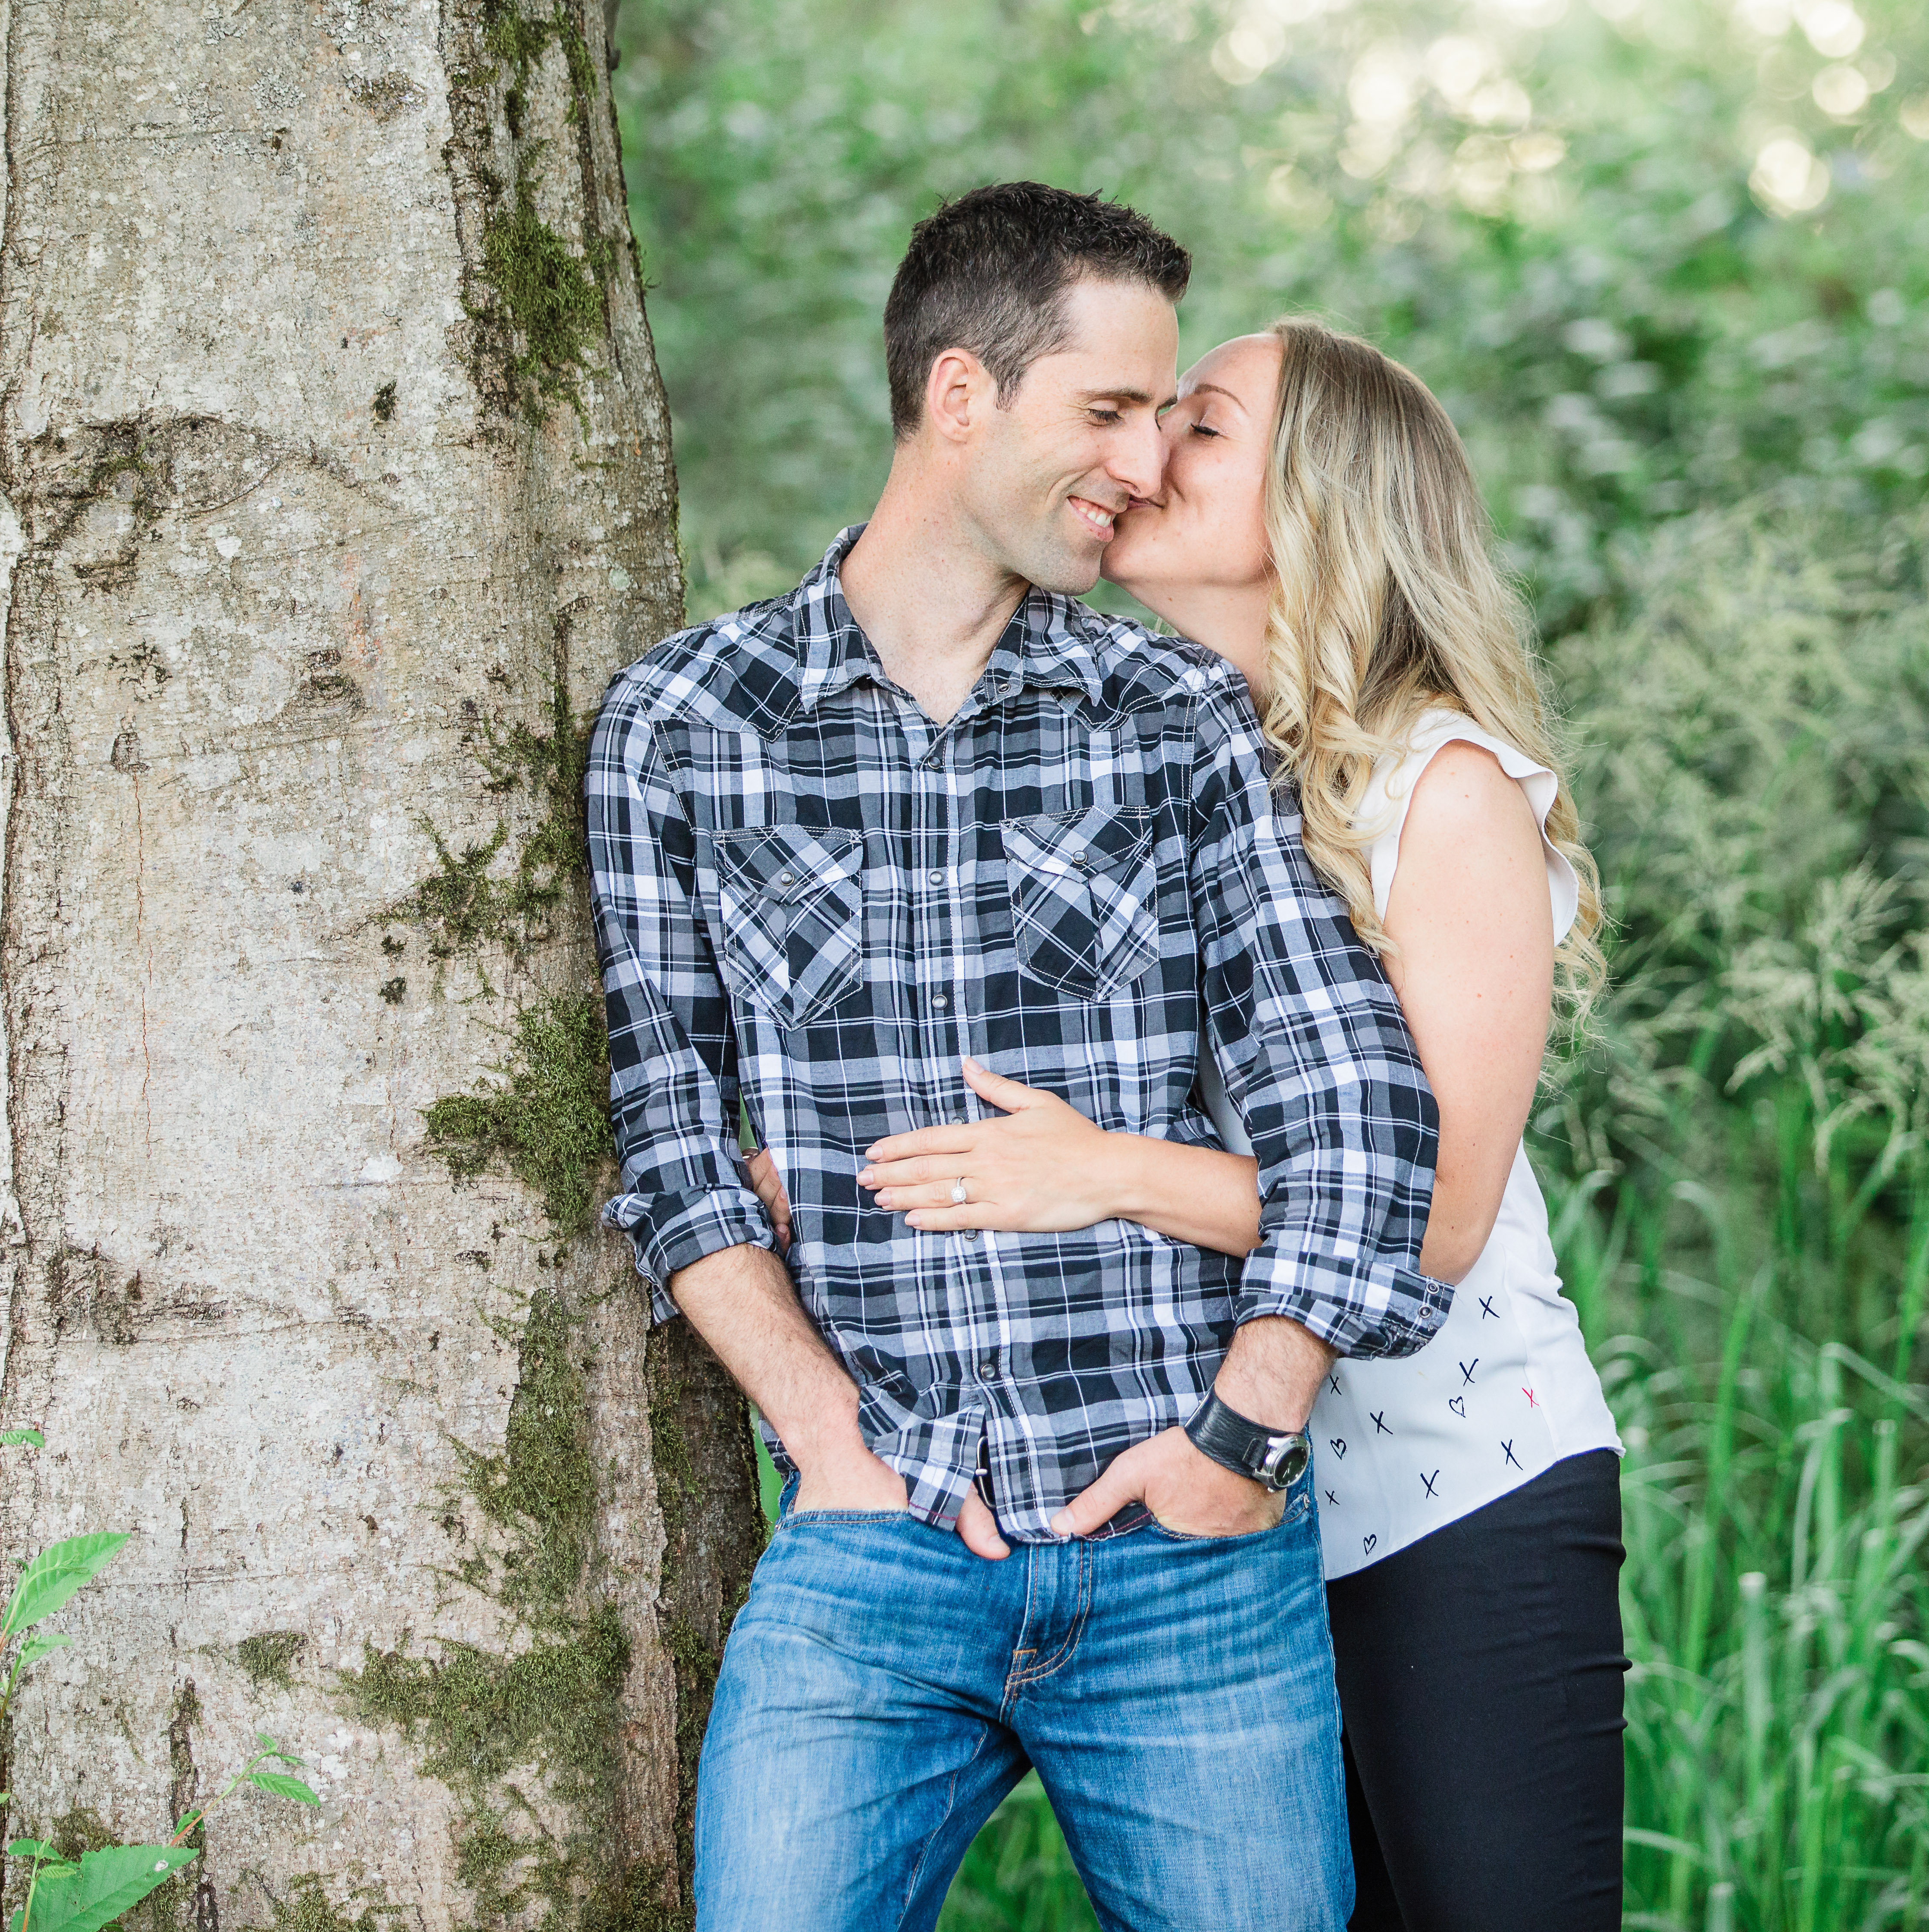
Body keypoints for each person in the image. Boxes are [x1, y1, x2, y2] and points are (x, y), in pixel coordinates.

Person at [588, 188, 1447, 1932]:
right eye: (1111, 411)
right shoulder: (684, 725)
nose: (1146, 461)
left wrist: (1246, 1435)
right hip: (873, 1541)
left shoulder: (1177, 718)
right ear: (962, 394)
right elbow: (671, 1132)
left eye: (1163, 416)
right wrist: (823, 1435)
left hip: (1189, 1563)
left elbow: (1352, 1100)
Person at [813, 319, 1628, 1931]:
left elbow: (1441, 1220)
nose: (1139, 461)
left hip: (1456, 1493)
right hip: (1229, 1501)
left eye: (1199, 429)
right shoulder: (1173, 758)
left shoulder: (1439, 787)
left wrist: (1095, 1176)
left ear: (1323, 494)